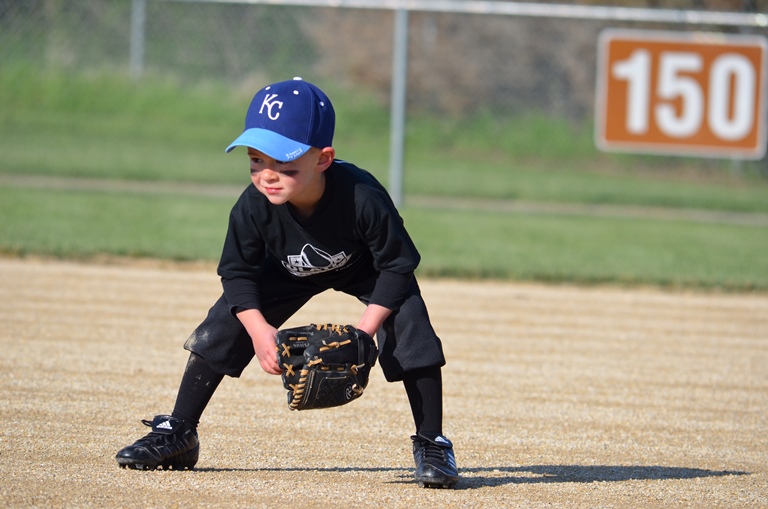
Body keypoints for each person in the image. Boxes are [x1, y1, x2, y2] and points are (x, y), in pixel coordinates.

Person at [115, 77, 459, 488]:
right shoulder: (252, 207)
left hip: (365, 268)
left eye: (286, 165)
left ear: (324, 159)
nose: (268, 176)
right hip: (286, 269)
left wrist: (365, 334)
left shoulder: (362, 197)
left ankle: (432, 441)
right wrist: (260, 331)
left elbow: (398, 266)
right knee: (227, 319)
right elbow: (237, 273)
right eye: (257, 160)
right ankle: (179, 431)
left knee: (409, 319)